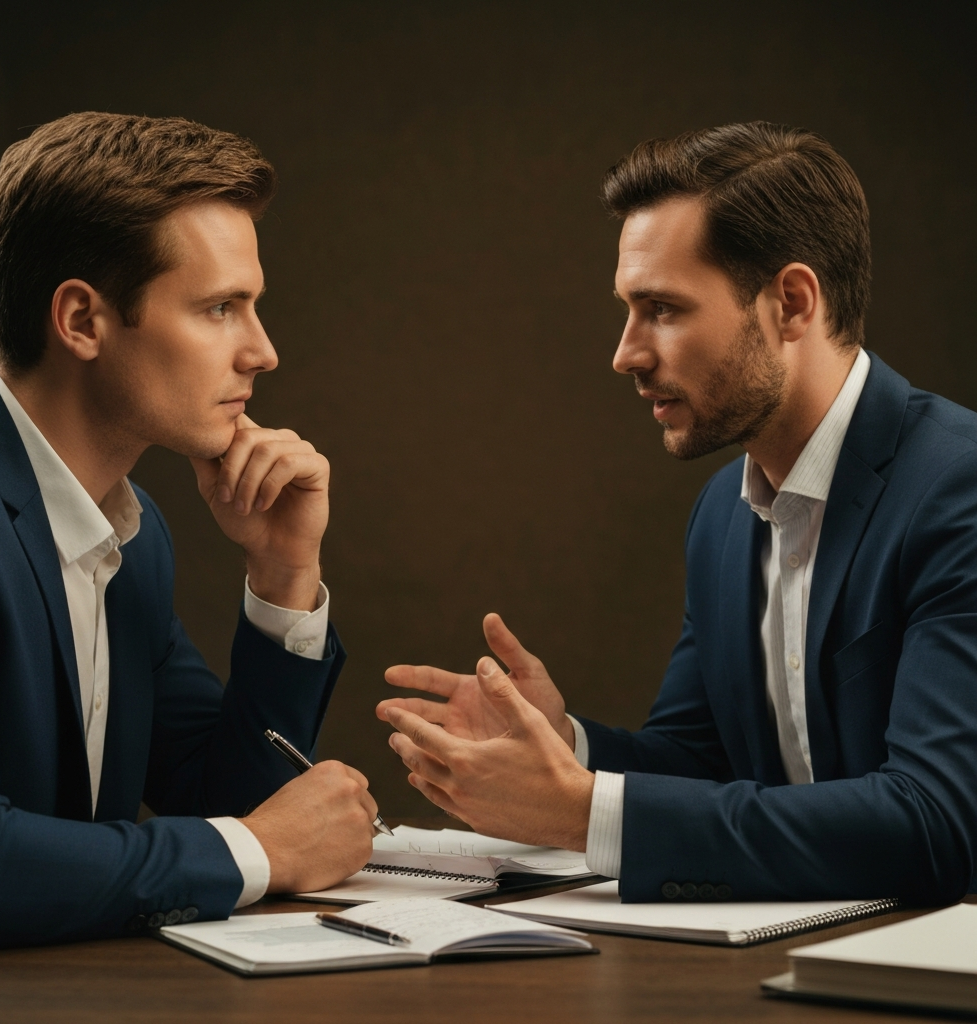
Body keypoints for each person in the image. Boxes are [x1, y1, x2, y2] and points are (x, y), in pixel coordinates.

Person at [377, 121, 977, 905]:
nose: (626, 353)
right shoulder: (723, 516)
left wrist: (584, 810)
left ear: (791, 303)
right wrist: (565, 748)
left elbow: (935, 824)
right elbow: (703, 764)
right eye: (630, 309)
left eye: (662, 308)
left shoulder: (959, 488)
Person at [0, 113, 379, 952]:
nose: (263, 351)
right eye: (222, 307)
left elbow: (218, 804)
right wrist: (263, 849)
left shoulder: (130, 541)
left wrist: (282, 577)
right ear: (81, 320)